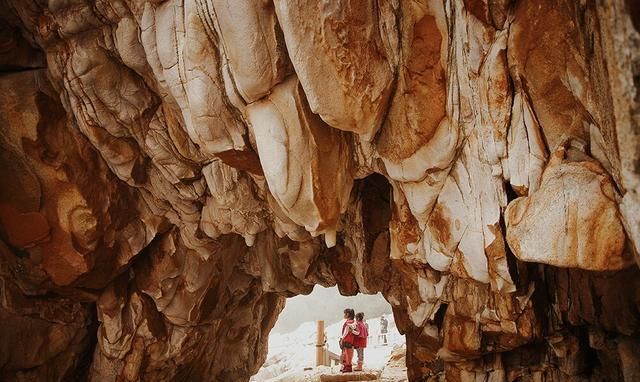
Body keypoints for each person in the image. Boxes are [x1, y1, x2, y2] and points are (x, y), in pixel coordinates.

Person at [339, 308, 358, 373]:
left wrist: (341, 338)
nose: (344, 315)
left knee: (345, 354)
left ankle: (347, 367)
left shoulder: (348, 323)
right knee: (349, 354)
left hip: (346, 340)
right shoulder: (354, 322)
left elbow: (345, 332)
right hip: (351, 340)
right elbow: (357, 332)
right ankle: (347, 367)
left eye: (345, 313)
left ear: (348, 314)